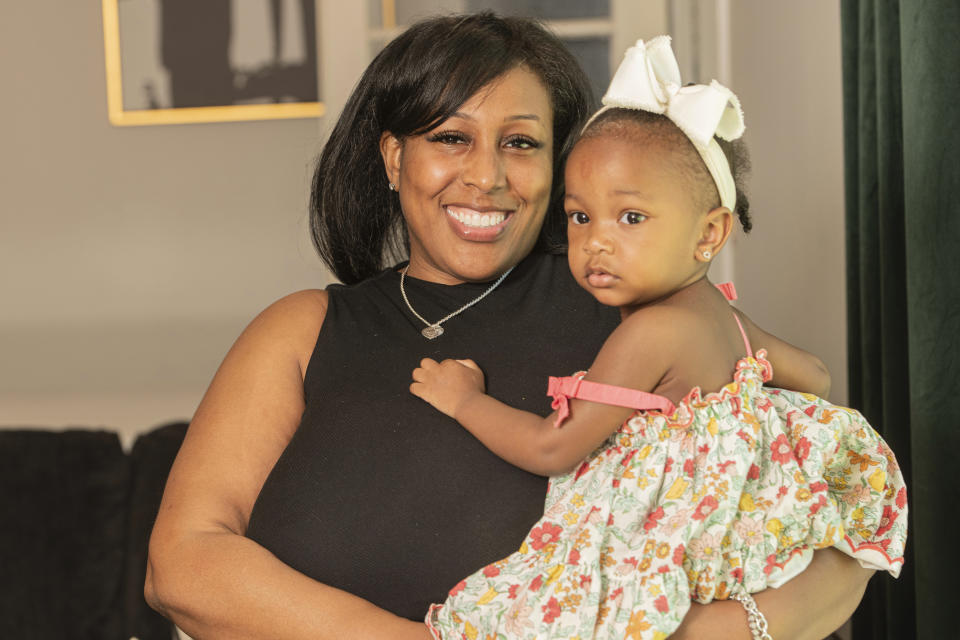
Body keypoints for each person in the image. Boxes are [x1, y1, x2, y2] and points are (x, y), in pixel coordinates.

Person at [145, 13, 878, 640]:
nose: (488, 176)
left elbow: (830, 539)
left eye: (521, 143)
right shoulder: (302, 329)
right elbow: (182, 565)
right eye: (450, 139)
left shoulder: (642, 314)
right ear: (395, 157)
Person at [410, 37, 906, 639]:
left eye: (632, 218)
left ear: (709, 234)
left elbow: (553, 449)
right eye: (579, 216)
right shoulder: (723, 316)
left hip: (675, 542)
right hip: (742, 545)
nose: (596, 241)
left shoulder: (649, 333)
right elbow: (818, 376)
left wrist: (464, 400)